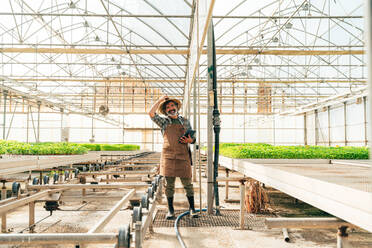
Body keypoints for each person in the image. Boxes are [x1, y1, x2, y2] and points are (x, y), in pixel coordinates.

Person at [149, 95, 198, 219]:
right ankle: (170, 210)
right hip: (168, 156)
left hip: (183, 155)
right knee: (169, 185)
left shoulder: (185, 121)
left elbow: (193, 139)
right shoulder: (164, 122)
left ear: (177, 107)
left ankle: (192, 209)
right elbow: (151, 113)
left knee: (187, 184)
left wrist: (190, 140)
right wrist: (160, 100)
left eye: (172, 106)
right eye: (167, 107)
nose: (170, 108)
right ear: (165, 111)